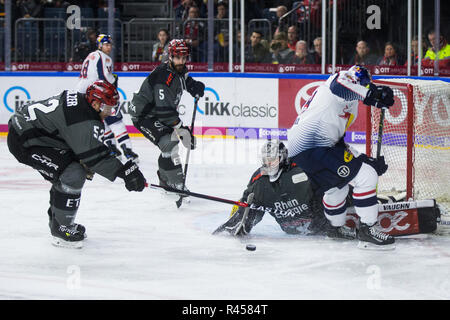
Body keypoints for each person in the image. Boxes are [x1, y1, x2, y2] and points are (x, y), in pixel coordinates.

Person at [6, 80, 147, 248]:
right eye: (108, 107)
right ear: (95, 103)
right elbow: (95, 157)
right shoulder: (83, 120)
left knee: (70, 169)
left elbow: (82, 143)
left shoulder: (82, 103)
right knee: (73, 174)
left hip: (31, 131)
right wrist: (125, 172)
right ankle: (62, 228)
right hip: (25, 141)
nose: (110, 112)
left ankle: (57, 220)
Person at [287, 65, 396, 250]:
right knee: (367, 176)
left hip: (304, 149)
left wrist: (364, 158)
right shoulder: (340, 80)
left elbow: (336, 141)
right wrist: (374, 94)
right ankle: (368, 230)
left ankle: (335, 229)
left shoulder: (346, 103)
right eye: (364, 85)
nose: (365, 88)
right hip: (313, 146)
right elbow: (341, 85)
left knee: (337, 186)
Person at [129, 39, 205, 196]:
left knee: (169, 144)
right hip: (145, 116)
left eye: (184, 58)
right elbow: (165, 112)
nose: (181, 61)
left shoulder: (179, 69)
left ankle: (165, 180)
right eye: (178, 57)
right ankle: (176, 183)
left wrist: (195, 87)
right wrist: (183, 130)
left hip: (157, 113)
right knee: (169, 143)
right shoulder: (164, 77)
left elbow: (186, 79)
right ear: (170, 56)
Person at [213, 141, 333, 237]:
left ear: (282, 158)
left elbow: (328, 184)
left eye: (273, 160)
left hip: (321, 227)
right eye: (266, 161)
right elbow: (248, 201)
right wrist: (239, 222)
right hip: (292, 232)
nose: (269, 165)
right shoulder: (259, 179)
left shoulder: (301, 167)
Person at [77, 34, 139, 163]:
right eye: (106, 44)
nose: (109, 47)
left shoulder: (90, 56)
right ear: (99, 45)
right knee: (116, 122)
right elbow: (104, 78)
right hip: (99, 93)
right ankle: (128, 151)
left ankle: (111, 150)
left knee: (102, 121)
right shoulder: (104, 57)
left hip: (85, 95)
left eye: (110, 44)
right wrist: (114, 81)